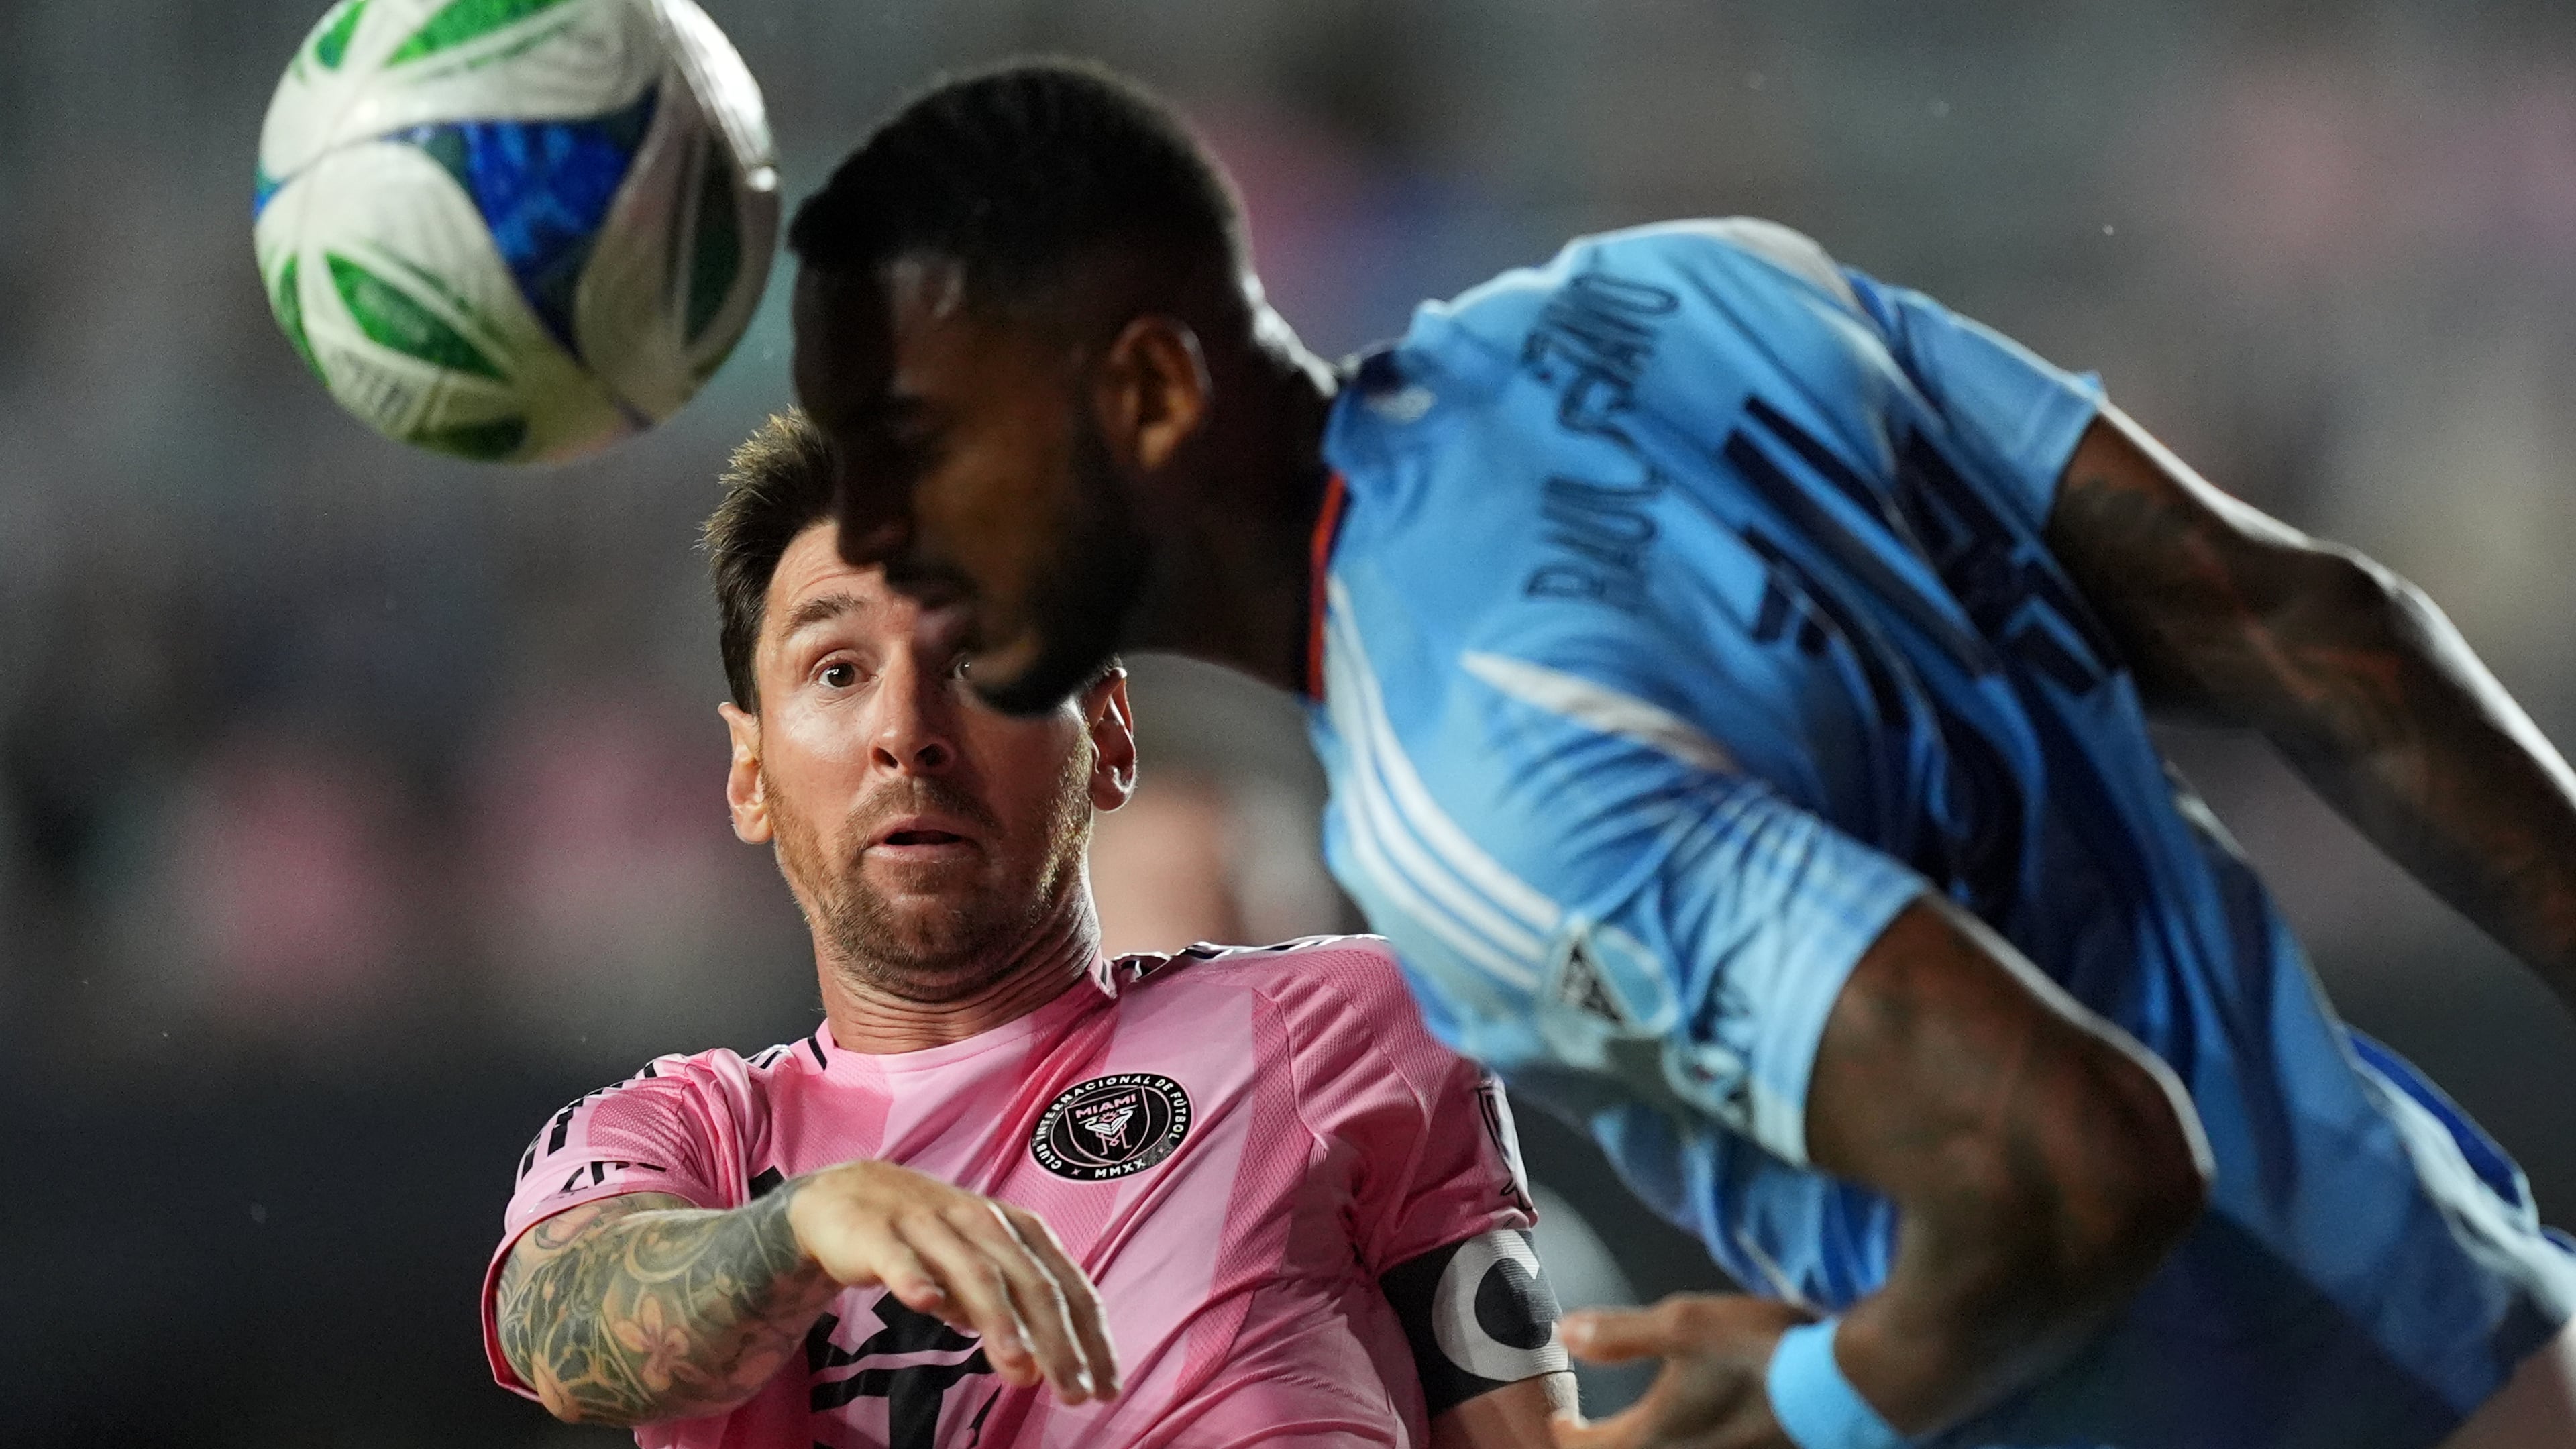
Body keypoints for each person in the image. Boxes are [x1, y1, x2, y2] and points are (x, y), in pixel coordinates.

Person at [782, 58, 2576, 1449]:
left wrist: (1798, 1411)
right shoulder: (1668, 306)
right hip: (2490, 1317)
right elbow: (2325, 637)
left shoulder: (1466, 797)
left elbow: (2081, 1161)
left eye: (913, 440)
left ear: (1156, 393)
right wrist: (1857, 1344)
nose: (873, 522)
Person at [478, 411, 1577, 1448]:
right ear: (749, 771)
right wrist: (801, 1227)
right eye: (837, 671)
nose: (906, 731)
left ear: (1106, 736)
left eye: (977, 661)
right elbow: (570, 1328)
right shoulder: (692, 1143)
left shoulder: (1355, 1028)